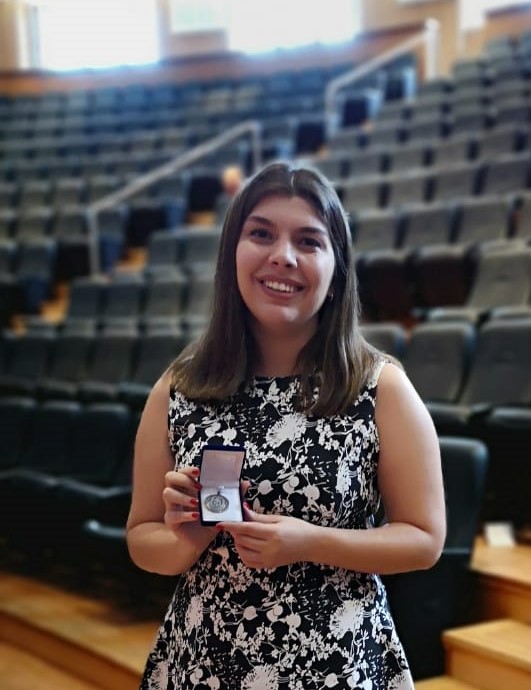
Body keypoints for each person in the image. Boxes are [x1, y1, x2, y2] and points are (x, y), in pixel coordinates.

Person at [127, 162, 445, 690]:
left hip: (335, 667)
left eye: (309, 241)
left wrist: (311, 541)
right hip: (204, 663)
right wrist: (187, 538)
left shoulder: (381, 387)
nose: (283, 256)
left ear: (336, 267)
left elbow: (424, 540)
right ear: (232, 250)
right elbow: (142, 539)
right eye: (261, 233)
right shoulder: (178, 388)